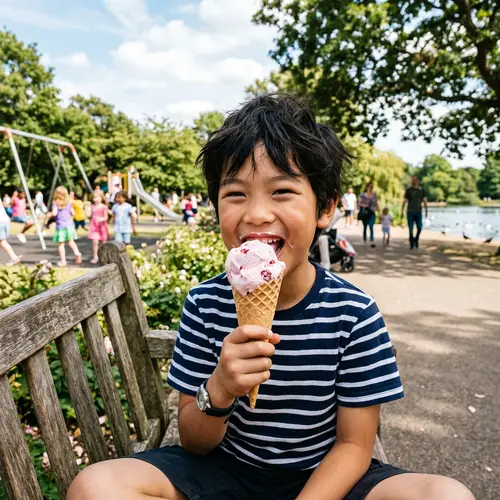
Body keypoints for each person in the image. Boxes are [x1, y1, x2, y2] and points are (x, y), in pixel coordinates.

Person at [68, 94, 474, 500]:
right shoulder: (205, 304)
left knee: (446, 494)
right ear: (217, 208)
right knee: (95, 486)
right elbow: (194, 440)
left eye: (281, 191)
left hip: (324, 477)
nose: (257, 213)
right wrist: (221, 388)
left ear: (325, 208)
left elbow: (354, 446)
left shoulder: (354, 312)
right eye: (236, 194)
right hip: (225, 469)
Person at [50, 186, 82, 267]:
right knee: (71, 241)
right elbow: (73, 213)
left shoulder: (55, 203)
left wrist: (49, 215)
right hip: (69, 226)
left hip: (61, 226)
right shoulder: (68, 203)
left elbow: (54, 213)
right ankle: (77, 253)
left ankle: (63, 261)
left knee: (61, 244)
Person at [402, 176, 428, 249]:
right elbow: (405, 201)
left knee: (419, 227)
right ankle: (411, 242)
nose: (414, 181)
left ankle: (416, 239)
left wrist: (426, 210)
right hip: (410, 211)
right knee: (410, 228)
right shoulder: (409, 190)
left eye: (415, 180)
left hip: (418, 212)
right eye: (413, 180)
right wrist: (402, 211)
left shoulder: (421, 190)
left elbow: (425, 200)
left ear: (418, 181)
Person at [88, 192, 109, 264]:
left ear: (101, 198)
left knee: (103, 242)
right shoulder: (92, 206)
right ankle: (95, 256)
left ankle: (104, 256)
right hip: (94, 227)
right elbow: (91, 216)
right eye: (94, 198)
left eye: (97, 197)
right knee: (95, 241)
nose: (95, 199)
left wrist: (101, 219)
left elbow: (106, 217)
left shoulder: (104, 207)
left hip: (102, 226)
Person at [358, 182, 379, 248]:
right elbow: (359, 203)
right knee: (365, 227)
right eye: (369, 186)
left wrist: (379, 211)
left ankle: (371, 240)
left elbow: (376, 203)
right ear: (366, 187)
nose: (370, 188)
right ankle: (364, 239)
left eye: (371, 187)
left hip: (372, 213)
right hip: (365, 213)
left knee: (371, 227)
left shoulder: (374, 195)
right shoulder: (362, 195)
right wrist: (365, 205)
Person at [0, 201, 21, 266]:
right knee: (2, 241)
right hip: (4, 219)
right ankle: (13, 257)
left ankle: (13, 257)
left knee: (2, 241)